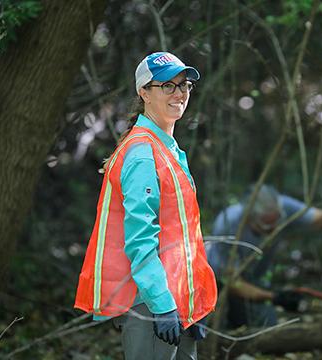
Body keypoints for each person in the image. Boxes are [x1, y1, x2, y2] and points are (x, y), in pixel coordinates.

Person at [74, 51, 217, 360]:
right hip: (152, 303)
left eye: (185, 85)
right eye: (168, 85)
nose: (179, 93)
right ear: (144, 92)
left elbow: (182, 238)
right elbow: (140, 240)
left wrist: (193, 302)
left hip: (179, 299)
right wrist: (162, 304)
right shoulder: (141, 154)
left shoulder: (169, 149)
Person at [205, 184, 322, 328]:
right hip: (220, 282)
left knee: (267, 324)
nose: (273, 230)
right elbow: (233, 283)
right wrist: (275, 297)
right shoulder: (228, 224)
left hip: (254, 280)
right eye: (266, 226)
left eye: (276, 223)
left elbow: (317, 218)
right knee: (219, 322)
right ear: (250, 217)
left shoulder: (283, 207)